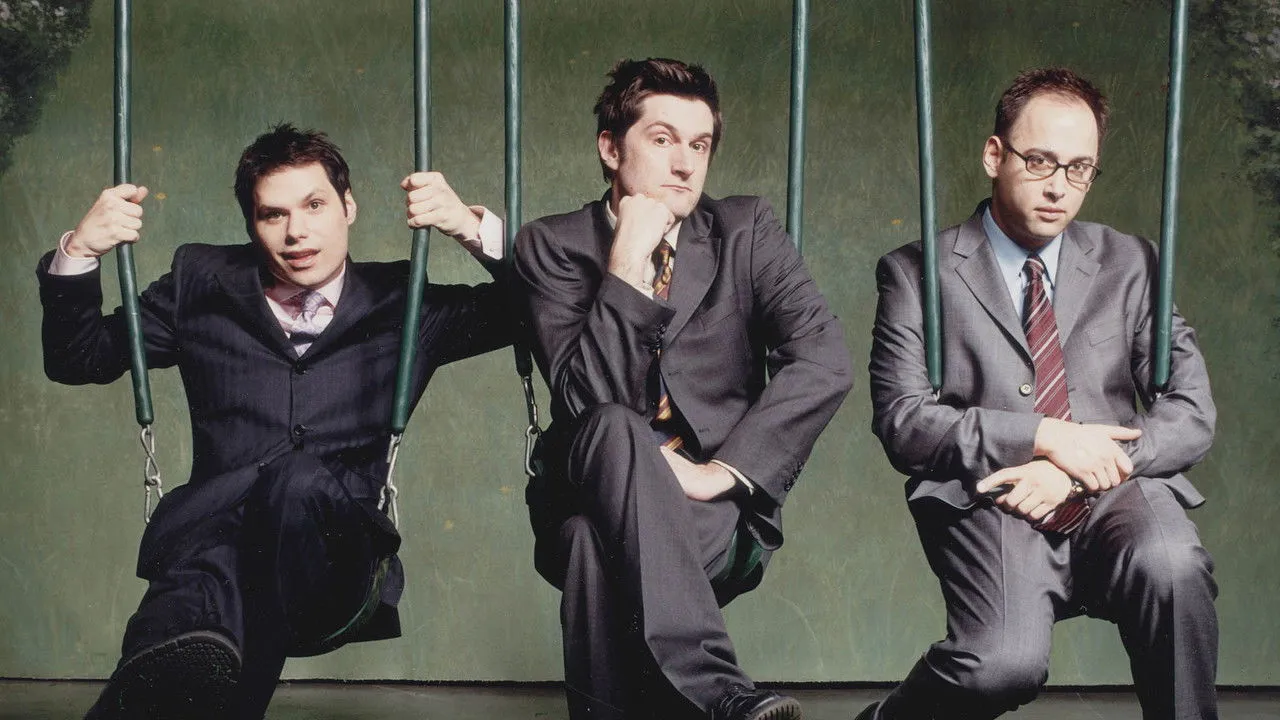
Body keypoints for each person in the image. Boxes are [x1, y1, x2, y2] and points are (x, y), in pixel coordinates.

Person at [38, 123, 511, 719]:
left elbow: (536, 307)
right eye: (273, 214)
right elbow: (79, 358)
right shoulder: (200, 284)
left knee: (293, 479)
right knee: (180, 620)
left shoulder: (404, 300)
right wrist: (80, 251)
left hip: (333, 562)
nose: (296, 232)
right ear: (251, 224)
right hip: (215, 551)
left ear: (348, 207)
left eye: (314, 205)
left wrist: (472, 229)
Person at [862, 67, 1218, 719]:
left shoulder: (1132, 263)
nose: (1059, 186)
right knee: (1002, 665)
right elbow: (904, 423)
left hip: (1114, 494)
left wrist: (1079, 469)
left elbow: (1192, 413)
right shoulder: (916, 272)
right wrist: (1044, 436)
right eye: (1039, 161)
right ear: (994, 156)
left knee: (1173, 566)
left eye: (1080, 169)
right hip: (995, 497)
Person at [513, 58, 852, 720]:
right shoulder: (551, 245)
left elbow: (824, 359)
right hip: (589, 473)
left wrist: (720, 473)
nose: (685, 164)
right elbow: (587, 400)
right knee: (611, 429)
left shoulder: (745, 230)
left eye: (699, 145)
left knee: (588, 544)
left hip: (711, 512)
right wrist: (625, 265)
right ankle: (720, 692)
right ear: (611, 148)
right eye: (663, 139)